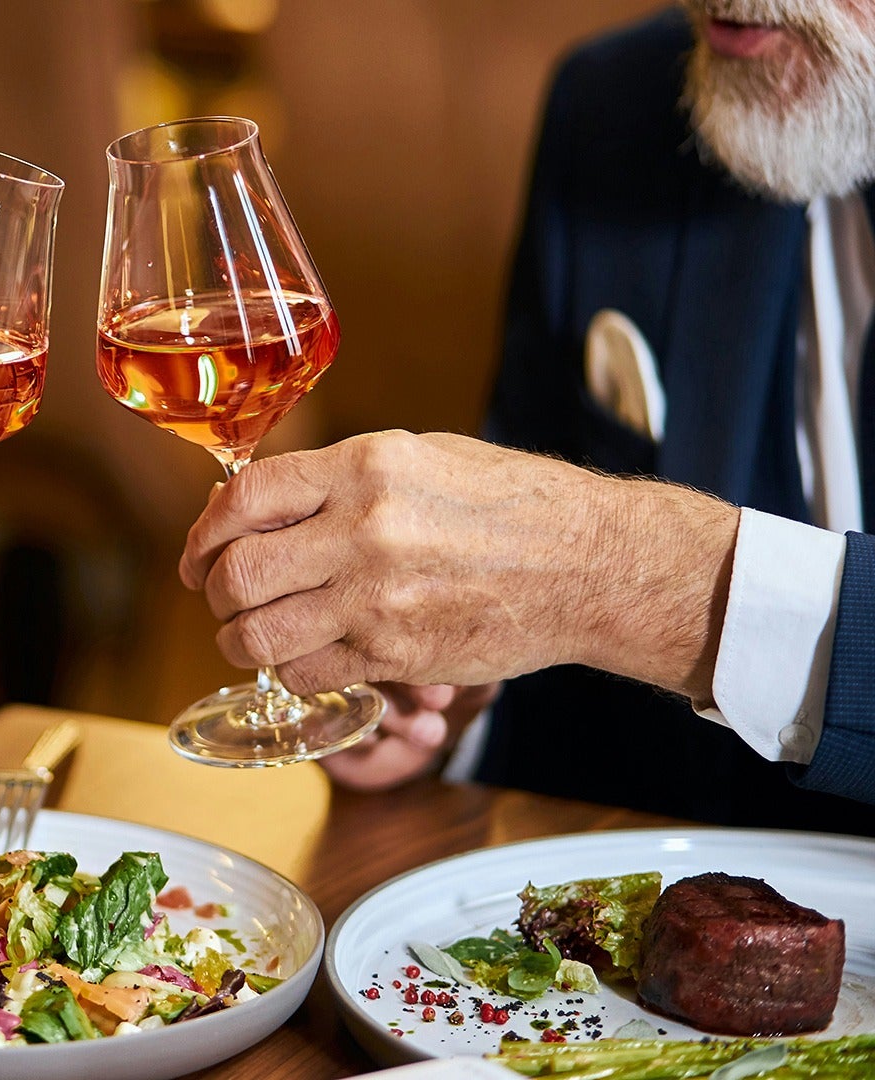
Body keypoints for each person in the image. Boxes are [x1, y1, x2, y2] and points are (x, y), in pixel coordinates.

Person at [183, 0, 875, 830]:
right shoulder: (622, 103)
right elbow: (557, 670)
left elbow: (576, 575)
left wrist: (622, 571)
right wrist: (443, 703)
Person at [177, 428, 875, 809]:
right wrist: (453, 711)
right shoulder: (605, 197)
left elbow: (554, 561)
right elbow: (506, 540)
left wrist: (604, 563)